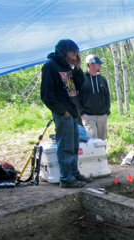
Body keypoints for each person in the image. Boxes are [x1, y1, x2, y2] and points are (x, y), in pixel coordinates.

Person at [40, 39, 90, 189]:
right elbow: (46, 95)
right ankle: (66, 178)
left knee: (74, 146)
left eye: (76, 54)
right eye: (72, 53)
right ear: (62, 52)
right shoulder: (51, 66)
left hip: (73, 112)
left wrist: (77, 68)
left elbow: (80, 86)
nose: (75, 57)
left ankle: (74, 173)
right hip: (64, 113)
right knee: (65, 146)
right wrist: (63, 112)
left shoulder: (69, 67)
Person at [80, 54, 111, 140]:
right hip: (88, 116)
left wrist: (106, 111)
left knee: (102, 141)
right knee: (92, 140)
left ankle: (102, 154)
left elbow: (107, 96)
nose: (100, 66)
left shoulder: (102, 79)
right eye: (98, 64)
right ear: (91, 64)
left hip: (102, 116)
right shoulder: (82, 79)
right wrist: (81, 113)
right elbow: (78, 97)